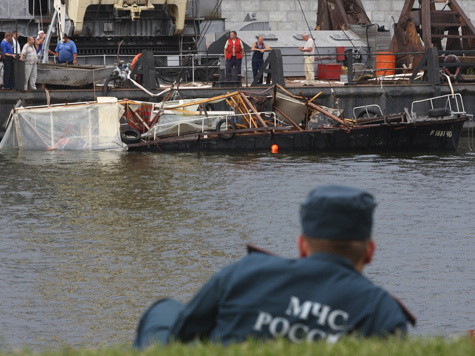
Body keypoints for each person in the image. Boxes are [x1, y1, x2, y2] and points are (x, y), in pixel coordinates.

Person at [133, 185, 415, 349]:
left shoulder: (247, 271)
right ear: (370, 251)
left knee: (165, 309)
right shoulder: (383, 311)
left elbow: (184, 334)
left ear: (302, 245)